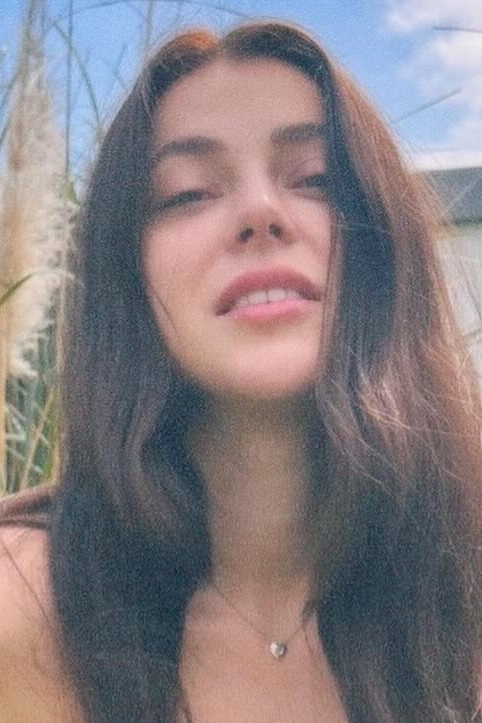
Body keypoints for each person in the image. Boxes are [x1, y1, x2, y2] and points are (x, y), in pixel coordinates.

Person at [1, 19, 482, 723]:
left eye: (315, 179)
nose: (261, 211)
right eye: (189, 193)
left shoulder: (462, 591)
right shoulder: (22, 606)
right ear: (124, 277)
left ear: (387, 246)